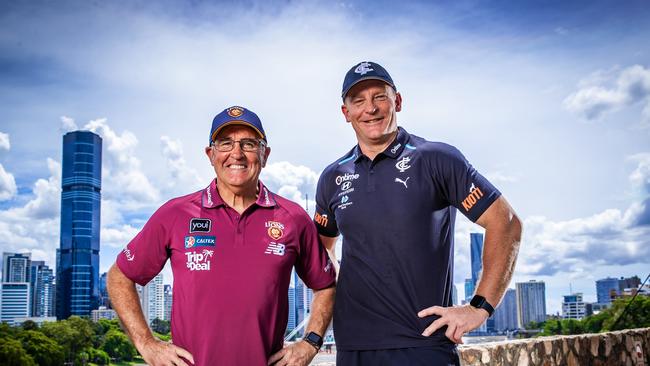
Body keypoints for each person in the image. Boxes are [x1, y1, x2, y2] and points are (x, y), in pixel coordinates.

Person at [313, 61, 522, 365]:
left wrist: (479, 307)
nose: (370, 108)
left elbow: (506, 223)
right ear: (346, 113)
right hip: (353, 345)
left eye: (379, 97)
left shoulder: (436, 158)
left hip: (423, 344)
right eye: (358, 101)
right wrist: (349, 284)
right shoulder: (332, 177)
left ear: (397, 101)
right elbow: (321, 250)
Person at [107, 106, 336, 366]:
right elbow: (120, 275)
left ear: (265, 154)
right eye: (225, 143)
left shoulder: (293, 218)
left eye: (248, 144)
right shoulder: (175, 214)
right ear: (210, 154)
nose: (236, 154)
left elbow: (325, 285)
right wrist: (146, 343)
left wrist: (311, 343)